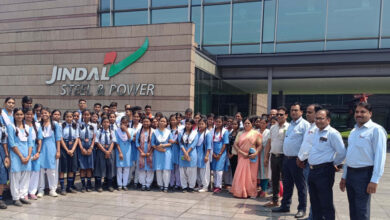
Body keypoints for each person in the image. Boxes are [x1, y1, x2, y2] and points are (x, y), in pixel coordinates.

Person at [339, 102, 387, 220]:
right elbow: (350, 156)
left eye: (362, 112)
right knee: (353, 208)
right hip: (350, 173)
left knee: (362, 210)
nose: (359, 114)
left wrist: (374, 180)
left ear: (370, 114)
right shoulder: (354, 131)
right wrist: (344, 176)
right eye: (357, 112)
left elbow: (380, 157)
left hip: (364, 175)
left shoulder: (376, 130)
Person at [272, 103, 310, 219]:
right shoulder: (291, 125)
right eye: (292, 110)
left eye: (296, 110)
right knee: (287, 184)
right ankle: (285, 205)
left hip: (298, 160)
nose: (294, 112)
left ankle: (301, 209)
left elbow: (307, 143)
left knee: (300, 186)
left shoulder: (305, 125)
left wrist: (302, 158)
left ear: (301, 112)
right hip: (286, 159)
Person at [308, 109, 346, 220]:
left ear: (328, 120)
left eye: (321, 118)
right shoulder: (316, 132)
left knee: (326, 203)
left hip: (324, 171)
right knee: (315, 203)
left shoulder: (333, 133)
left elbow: (342, 152)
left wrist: (332, 163)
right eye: (317, 118)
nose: (318, 121)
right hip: (312, 171)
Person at [296, 104, 322, 220]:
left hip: (313, 165)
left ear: (317, 113)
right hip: (306, 163)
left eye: (310, 112)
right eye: (307, 112)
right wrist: (300, 157)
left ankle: (316, 216)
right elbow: (305, 145)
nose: (307, 114)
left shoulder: (318, 129)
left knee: (316, 193)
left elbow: (312, 147)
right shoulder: (310, 127)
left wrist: (302, 158)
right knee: (312, 192)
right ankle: (313, 215)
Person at [264, 106, 289, 207]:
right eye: (277, 114)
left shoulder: (289, 127)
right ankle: (275, 200)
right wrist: (266, 157)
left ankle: (285, 201)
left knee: (286, 180)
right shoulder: (273, 127)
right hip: (273, 156)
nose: (279, 116)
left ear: (286, 116)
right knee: (274, 179)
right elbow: (269, 143)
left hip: (284, 157)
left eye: (281, 114)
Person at [230, 117, 262, 198]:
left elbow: (260, 145)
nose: (247, 125)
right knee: (241, 174)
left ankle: (250, 192)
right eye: (245, 123)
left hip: (252, 156)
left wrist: (256, 153)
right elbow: (235, 145)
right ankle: (240, 191)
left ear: (252, 124)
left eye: (249, 123)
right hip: (242, 155)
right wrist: (241, 153)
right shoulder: (240, 133)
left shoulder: (256, 133)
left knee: (251, 175)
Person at [7, 108, 33, 206]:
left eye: (21, 114)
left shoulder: (27, 127)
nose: (19, 116)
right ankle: (16, 197)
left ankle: (23, 195)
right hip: (16, 155)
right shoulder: (11, 127)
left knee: (25, 176)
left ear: (24, 116)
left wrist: (28, 156)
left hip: (26, 155)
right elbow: (12, 143)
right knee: (15, 176)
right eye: (17, 114)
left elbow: (30, 143)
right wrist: (21, 156)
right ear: (14, 116)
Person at [38, 107, 62, 198]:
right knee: (41, 170)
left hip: (52, 148)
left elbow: (58, 139)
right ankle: (41, 189)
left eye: (46, 113)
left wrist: (58, 151)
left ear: (50, 114)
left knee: (52, 170)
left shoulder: (55, 124)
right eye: (42, 113)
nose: (44, 115)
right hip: (41, 148)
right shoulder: (38, 124)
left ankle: (53, 189)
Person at [59, 111, 79, 195]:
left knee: (71, 168)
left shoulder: (75, 126)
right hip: (64, 147)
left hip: (73, 147)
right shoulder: (61, 126)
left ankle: (69, 187)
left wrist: (72, 149)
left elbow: (77, 138)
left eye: (71, 117)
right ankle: (62, 187)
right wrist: (67, 150)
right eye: (67, 117)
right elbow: (61, 138)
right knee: (63, 168)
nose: (69, 118)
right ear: (64, 117)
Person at [24, 108, 42, 200]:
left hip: (35, 150)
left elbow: (39, 140)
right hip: (24, 149)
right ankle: (24, 192)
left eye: (31, 114)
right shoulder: (21, 125)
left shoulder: (37, 125)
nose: (29, 116)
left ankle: (32, 191)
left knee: (35, 171)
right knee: (26, 171)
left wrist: (38, 152)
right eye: (27, 114)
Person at [94, 117, 116, 192]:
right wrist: (105, 151)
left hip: (110, 151)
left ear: (109, 123)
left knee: (110, 167)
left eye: (107, 122)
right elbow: (97, 142)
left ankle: (109, 185)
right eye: (104, 122)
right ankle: (99, 186)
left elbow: (113, 142)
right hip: (101, 151)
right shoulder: (99, 132)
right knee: (100, 167)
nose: (106, 123)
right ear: (102, 123)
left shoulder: (112, 132)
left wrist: (109, 151)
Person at [152, 116, 173, 192]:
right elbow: (152, 143)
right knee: (158, 169)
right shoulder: (155, 132)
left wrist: (163, 145)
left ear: (166, 123)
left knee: (166, 169)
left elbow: (171, 143)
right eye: (161, 121)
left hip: (166, 152)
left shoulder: (169, 132)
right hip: (158, 152)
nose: (162, 122)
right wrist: (158, 148)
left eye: (164, 121)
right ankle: (160, 185)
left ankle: (166, 186)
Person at [179, 119, 198, 192]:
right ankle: (184, 186)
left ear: (192, 125)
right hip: (182, 152)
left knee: (192, 171)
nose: (187, 125)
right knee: (182, 171)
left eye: (189, 124)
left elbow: (194, 143)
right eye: (186, 124)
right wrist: (185, 152)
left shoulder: (195, 133)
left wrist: (187, 152)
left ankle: (191, 186)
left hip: (192, 153)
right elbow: (180, 143)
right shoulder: (181, 133)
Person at [211, 116, 229, 193]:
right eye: (217, 121)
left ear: (222, 123)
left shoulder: (225, 131)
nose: (218, 123)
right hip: (213, 152)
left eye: (219, 122)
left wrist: (220, 154)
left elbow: (225, 143)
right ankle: (215, 185)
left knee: (219, 170)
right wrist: (213, 153)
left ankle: (219, 186)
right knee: (214, 170)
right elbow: (210, 142)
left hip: (221, 153)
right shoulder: (212, 131)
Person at [78, 110, 95, 192]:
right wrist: (81, 148)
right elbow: (78, 137)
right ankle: (83, 185)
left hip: (90, 146)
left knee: (89, 167)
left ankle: (89, 184)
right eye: (84, 115)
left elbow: (94, 137)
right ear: (82, 116)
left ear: (90, 116)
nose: (86, 116)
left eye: (88, 115)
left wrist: (91, 147)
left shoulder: (93, 125)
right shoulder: (79, 125)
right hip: (82, 145)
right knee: (82, 168)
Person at [115, 116, 134, 191]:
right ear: (121, 123)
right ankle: (119, 185)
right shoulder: (117, 131)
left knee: (126, 168)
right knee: (119, 168)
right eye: (123, 123)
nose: (125, 124)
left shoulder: (131, 130)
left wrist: (126, 130)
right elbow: (117, 143)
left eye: (126, 123)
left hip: (128, 151)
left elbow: (130, 139)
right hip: (119, 151)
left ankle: (125, 184)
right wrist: (120, 152)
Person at [136, 117, 154, 191]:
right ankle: (143, 184)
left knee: (150, 169)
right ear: (142, 122)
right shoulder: (139, 131)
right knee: (142, 169)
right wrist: (141, 152)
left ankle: (148, 184)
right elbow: (137, 143)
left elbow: (154, 143)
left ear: (150, 123)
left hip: (150, 152)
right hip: (141, 152)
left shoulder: (153, 131)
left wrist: (150, 152)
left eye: (147, 122)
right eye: (144, 122)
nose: (146, 123)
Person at [196, 118, 212, 192]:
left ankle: (205, 186)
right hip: (197, 154)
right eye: (200, 124)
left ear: (206, 125)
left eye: (202, 124)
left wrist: (206, 155)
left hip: (204, 154)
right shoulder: (197, 132)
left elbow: (209, 146)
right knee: (198, 170)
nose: (201, 125)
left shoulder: (208, 134)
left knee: (204, 170)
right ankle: (200, 185)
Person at [257, 117, 270, 198]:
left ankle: (264, 190)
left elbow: (267, 143)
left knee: (264, 172)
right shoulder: (256, 131)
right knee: (257, 172)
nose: (262, 124)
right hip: (256, 153)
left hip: (264, 153)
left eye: (263, 123)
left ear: (266, 124)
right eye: (260, 123)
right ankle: (259, 189)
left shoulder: (268, 132)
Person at [169, 114, 181, 190]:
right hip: (169, 150)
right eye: (171, 120)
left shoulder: (180, 130)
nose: (173, 121)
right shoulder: (167, 129)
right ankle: (171, 183)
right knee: (171, 168)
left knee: (177, 168)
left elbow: (181, 142)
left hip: (177, 150)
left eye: (174, 120)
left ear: (177, 121)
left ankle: (178, 183)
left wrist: (174, 142)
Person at [0, 116, 9, 209]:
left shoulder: (2, 128)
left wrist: (6, 155)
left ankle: (0, 198)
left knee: (2, 174)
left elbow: (4, 142)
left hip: (1, 151)